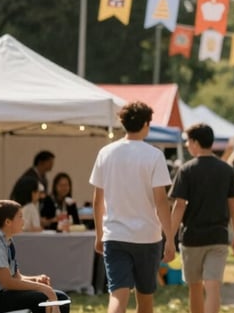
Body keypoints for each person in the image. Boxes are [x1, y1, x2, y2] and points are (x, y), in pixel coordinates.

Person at [89, 100, 175, 313]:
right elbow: (161, 201)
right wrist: (170, 238)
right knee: (145, 299)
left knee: (118, 295)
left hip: (115, 235)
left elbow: (98, 200)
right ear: (146, 123)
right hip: (147, 237)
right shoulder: (154, 155)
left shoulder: (105, 153)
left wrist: (99, 235)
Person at [170, 124, 234, 313]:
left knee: (195, 287)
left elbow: (179, 206)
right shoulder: (226, 170)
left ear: (195, 142)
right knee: (213, 286)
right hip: (218, 236)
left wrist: (168, 236)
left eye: (187, 141)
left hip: (192, 237)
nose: (186, 145)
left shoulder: (186, 170)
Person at [0, 199, 70, 313]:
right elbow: (7, 282)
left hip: (5, 294)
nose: (24, 220)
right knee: (50, 299)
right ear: (8, 222)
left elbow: (16, 277)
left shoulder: (8, 242)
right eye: (20, 217)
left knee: (61, 298)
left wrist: (36, 279)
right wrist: (43, 289)